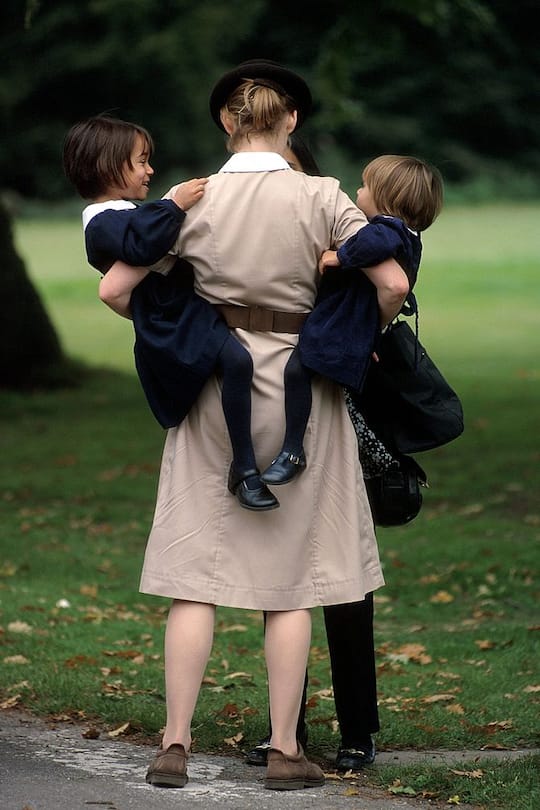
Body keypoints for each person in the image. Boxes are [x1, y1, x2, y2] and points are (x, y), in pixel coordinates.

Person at [100, 59, 409, 792]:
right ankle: (283, 750)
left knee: (192, 578)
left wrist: (188, 335)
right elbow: (392, 281)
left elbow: (117, 290)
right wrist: (353, 336)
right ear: (291, 120)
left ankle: (174, 743)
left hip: (215, 385)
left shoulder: (193, 200)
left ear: (225, 123)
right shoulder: (324, 195)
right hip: (302, 387)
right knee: (291, 581)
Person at [63, 114, 279, 512]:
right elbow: (143, 247)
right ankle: (245, 467)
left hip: (179, 312)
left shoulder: (125, 215)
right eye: (141, 161)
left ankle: (245, 466)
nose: (150, 170)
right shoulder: (102, 222)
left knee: (236, 363)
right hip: (173, 317)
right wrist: (173, 205)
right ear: (106, 166)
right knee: (236, 362)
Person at [245, 134, 380, 772]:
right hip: (281, 400)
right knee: (283, 574)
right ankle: (285, 730)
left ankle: (357, 728)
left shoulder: (336, 227)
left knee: (342, 572)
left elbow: (388, 286)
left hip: (333, 405)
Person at [262, 153, 444, 487]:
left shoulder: (386, 230)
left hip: (339, 328)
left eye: (365, 186)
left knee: (297, 370)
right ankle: (384, 461)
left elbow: (376, 252)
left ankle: (292, 449)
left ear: (386, 199)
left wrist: (339, 256)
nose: (358, 192)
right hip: (353, 328)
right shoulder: (407, 236)